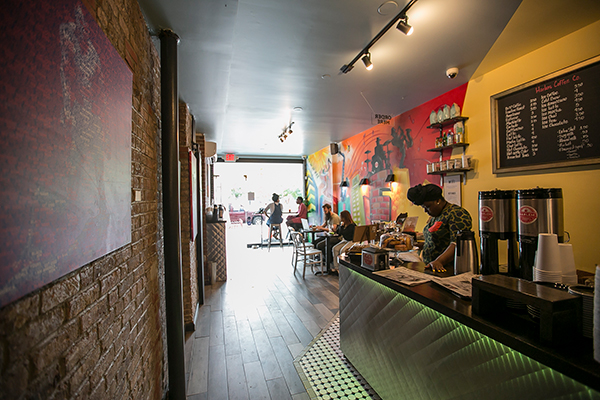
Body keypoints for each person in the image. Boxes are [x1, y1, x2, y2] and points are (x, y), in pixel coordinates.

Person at [407, 183, 472, 273]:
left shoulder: (456, 213)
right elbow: (437, 240)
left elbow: (457, 243)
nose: (425, 211)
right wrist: (418, 246)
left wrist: (439, 261)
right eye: (423, 207)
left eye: (428, 207)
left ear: (438, 200)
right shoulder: (436, 216)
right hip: (431, 267)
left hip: (447, 268)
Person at [313, 204, 342, 271]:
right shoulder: (328, 217)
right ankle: (323, 259)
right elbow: (324, 225)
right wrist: (318, 227)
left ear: (329, 209)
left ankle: (328, 261)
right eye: (324, 211)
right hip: (329, 235)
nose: (325, 212)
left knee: (320, 245)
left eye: (325, 211)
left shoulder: (334, 217)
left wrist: (322, 228)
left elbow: (333, 230)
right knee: (315, 242)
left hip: (336, 237)